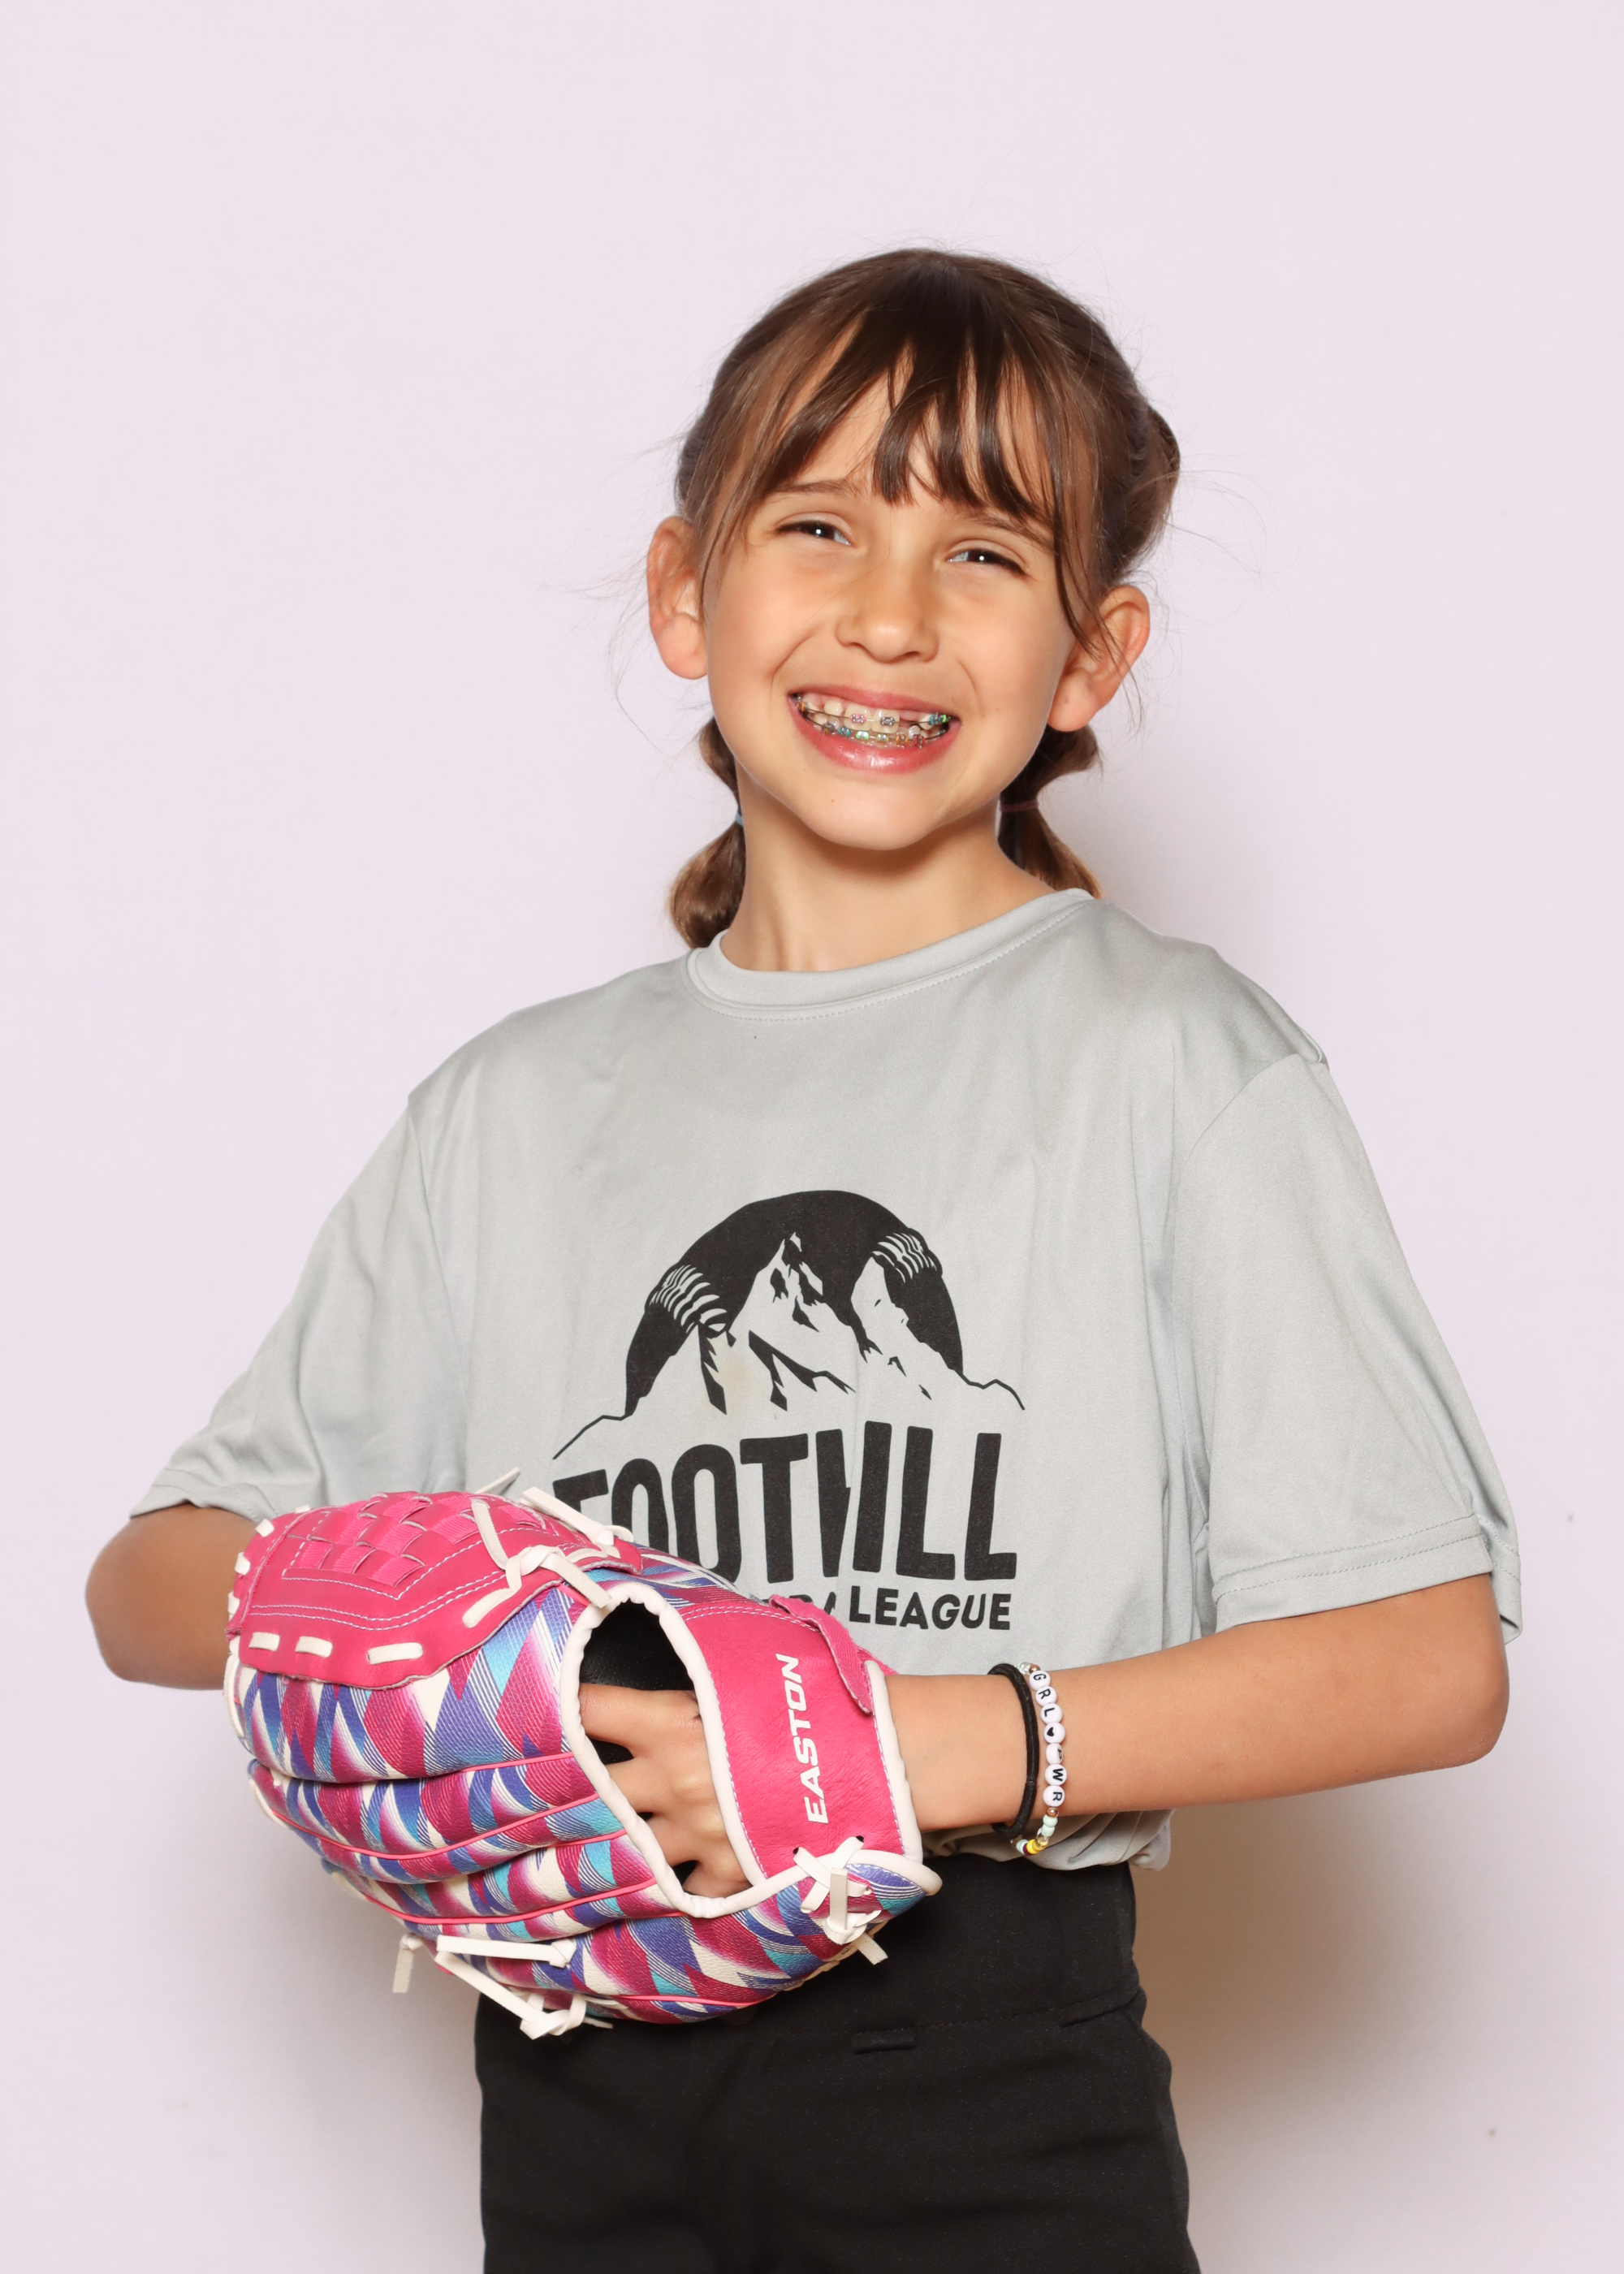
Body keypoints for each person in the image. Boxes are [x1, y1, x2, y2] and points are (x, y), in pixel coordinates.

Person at [85, 249, 1518, 2272]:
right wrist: (483, 1642)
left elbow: (1426, 1657)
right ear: (688, 591)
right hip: (577, 2053)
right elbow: (149, 1583)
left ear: (1090, 654)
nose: (888, 614)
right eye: (819, 524)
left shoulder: (1171, 1061)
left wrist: (924, 1733)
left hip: (983, 2061)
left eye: (984, 553)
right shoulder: (515, 1108)